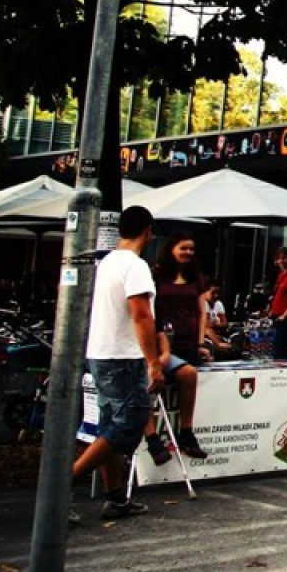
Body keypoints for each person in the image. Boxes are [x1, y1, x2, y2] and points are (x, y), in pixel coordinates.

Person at [73, 205, 161, 521]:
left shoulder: (107, 262)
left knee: (110, 427)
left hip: (101, 352)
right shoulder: (135, 267)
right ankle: (65, 484)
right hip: (123, 356)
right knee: (129, 424)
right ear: (148, 230)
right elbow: (140, 314)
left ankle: (115, 498)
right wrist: (153, 361)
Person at [148, 232, 210, 461]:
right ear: (171, 249)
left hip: (187, 340)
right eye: (183, 248)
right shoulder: (155, 276)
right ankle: (153, 437)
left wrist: (201, 342)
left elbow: (202, 312)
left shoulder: (197, 278)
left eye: (191, 249)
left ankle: (186, 431)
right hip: (161, 340)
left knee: (188, 376)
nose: (188, 253)